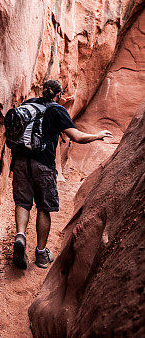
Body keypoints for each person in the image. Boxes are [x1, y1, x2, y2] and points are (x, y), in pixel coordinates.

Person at [11, 79, 113, 269]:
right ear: (58, 95)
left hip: (19, 161)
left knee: (22, 202)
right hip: (43, 164)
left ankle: (20, 237)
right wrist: (98, 135)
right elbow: (77, 137)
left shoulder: (28, 105)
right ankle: (41, 254)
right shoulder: (57, 110)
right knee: (44, 207)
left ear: (42, 92)